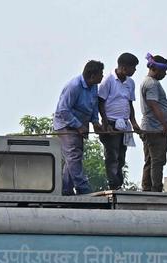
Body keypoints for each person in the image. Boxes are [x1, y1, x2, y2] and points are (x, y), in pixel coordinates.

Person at [55, 61, 104, 196]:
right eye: (101, 74)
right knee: (73, 155)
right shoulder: (74, 86)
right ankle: (83, 188)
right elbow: (63, 110)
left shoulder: (94, 86)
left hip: (80, 125)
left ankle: (66, 190)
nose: (102, 76)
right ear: (92, 76)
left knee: (74, 157)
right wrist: (78, 125)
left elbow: (93, 105)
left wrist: (95, 122)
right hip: (66, 124)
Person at [98, 53, 142, 191]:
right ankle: (113, 184)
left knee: (121, 157)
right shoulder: (108, 80)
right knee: (112, 155)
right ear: (123, 68)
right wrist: (105, 124)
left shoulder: (130, 82)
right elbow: (100, 102)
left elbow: (129, 104)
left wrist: (133, 122)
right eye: (132, 67)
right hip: (111, 122)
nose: (134, 70)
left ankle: (118, 183)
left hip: (123, 123)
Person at [140, 54, 167, 192]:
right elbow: (154, 105)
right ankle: (156, 189)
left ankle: (147, 187)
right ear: (154, 69)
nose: (165, 73)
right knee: (158, 160)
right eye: (163, 70)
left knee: (150, 160)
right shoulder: (152, 84)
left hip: (150, 128)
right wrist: (165, 124)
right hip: (155, 129)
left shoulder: (148, 82)